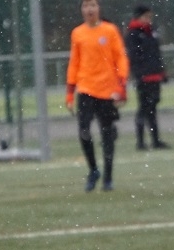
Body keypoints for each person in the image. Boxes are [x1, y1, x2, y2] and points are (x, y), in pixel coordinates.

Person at [66, 0, 130, 192]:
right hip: (86, 89)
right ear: (81, 9)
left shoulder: (110, 31)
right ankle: (93, 170)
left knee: (107, 133)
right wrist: (70, 92)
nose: (89, 9)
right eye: (86, 6)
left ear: (98, 8)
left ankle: (108, 177)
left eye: (93, 5)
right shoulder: (78, 33)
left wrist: (122, 84)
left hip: (107, 90)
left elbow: (120, 57)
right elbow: (74, 62)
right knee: (84, 132)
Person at [125, 5, 169, 151]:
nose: (149, 20)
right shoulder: (133, 34)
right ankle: (140, 141)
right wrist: (140, 74)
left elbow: (156, 54)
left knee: (152, 108)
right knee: (144, 108)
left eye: (150, 17)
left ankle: (155, 140)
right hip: (144, 77)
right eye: (146, 17)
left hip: (154, 75)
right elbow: (134, 57)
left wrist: (162, 71)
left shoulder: (151, 31)